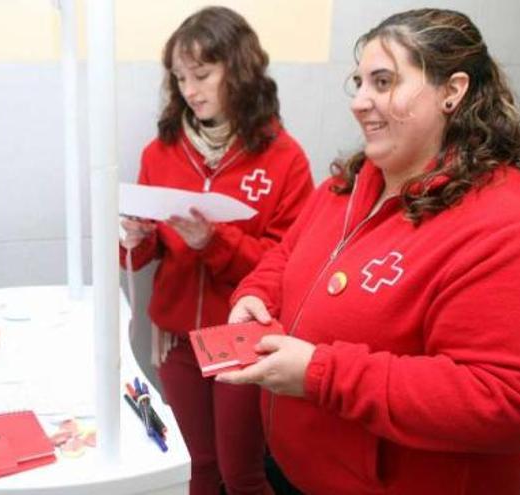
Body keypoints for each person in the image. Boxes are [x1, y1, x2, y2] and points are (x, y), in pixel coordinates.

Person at [220, 8, 520, 495]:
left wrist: (322, 374)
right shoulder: (347, 184)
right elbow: (287, 257)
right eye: (358, 82)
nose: (359, 102)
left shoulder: (513, 223)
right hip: (298, 468)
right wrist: (257, 294)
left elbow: (515, 401)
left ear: (452, 91)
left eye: (383, 81)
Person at [120, 6, 314, 495]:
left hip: (244, 339)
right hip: (178, 339)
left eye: (202, 74)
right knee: (197, 468)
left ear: (240, 68)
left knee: (241, 472)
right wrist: (135, 241)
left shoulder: (283, 156)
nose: (190, 89)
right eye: (180, 77)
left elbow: (287, 266)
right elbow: (142, 259)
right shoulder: (159, 151)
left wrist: (213, 241)